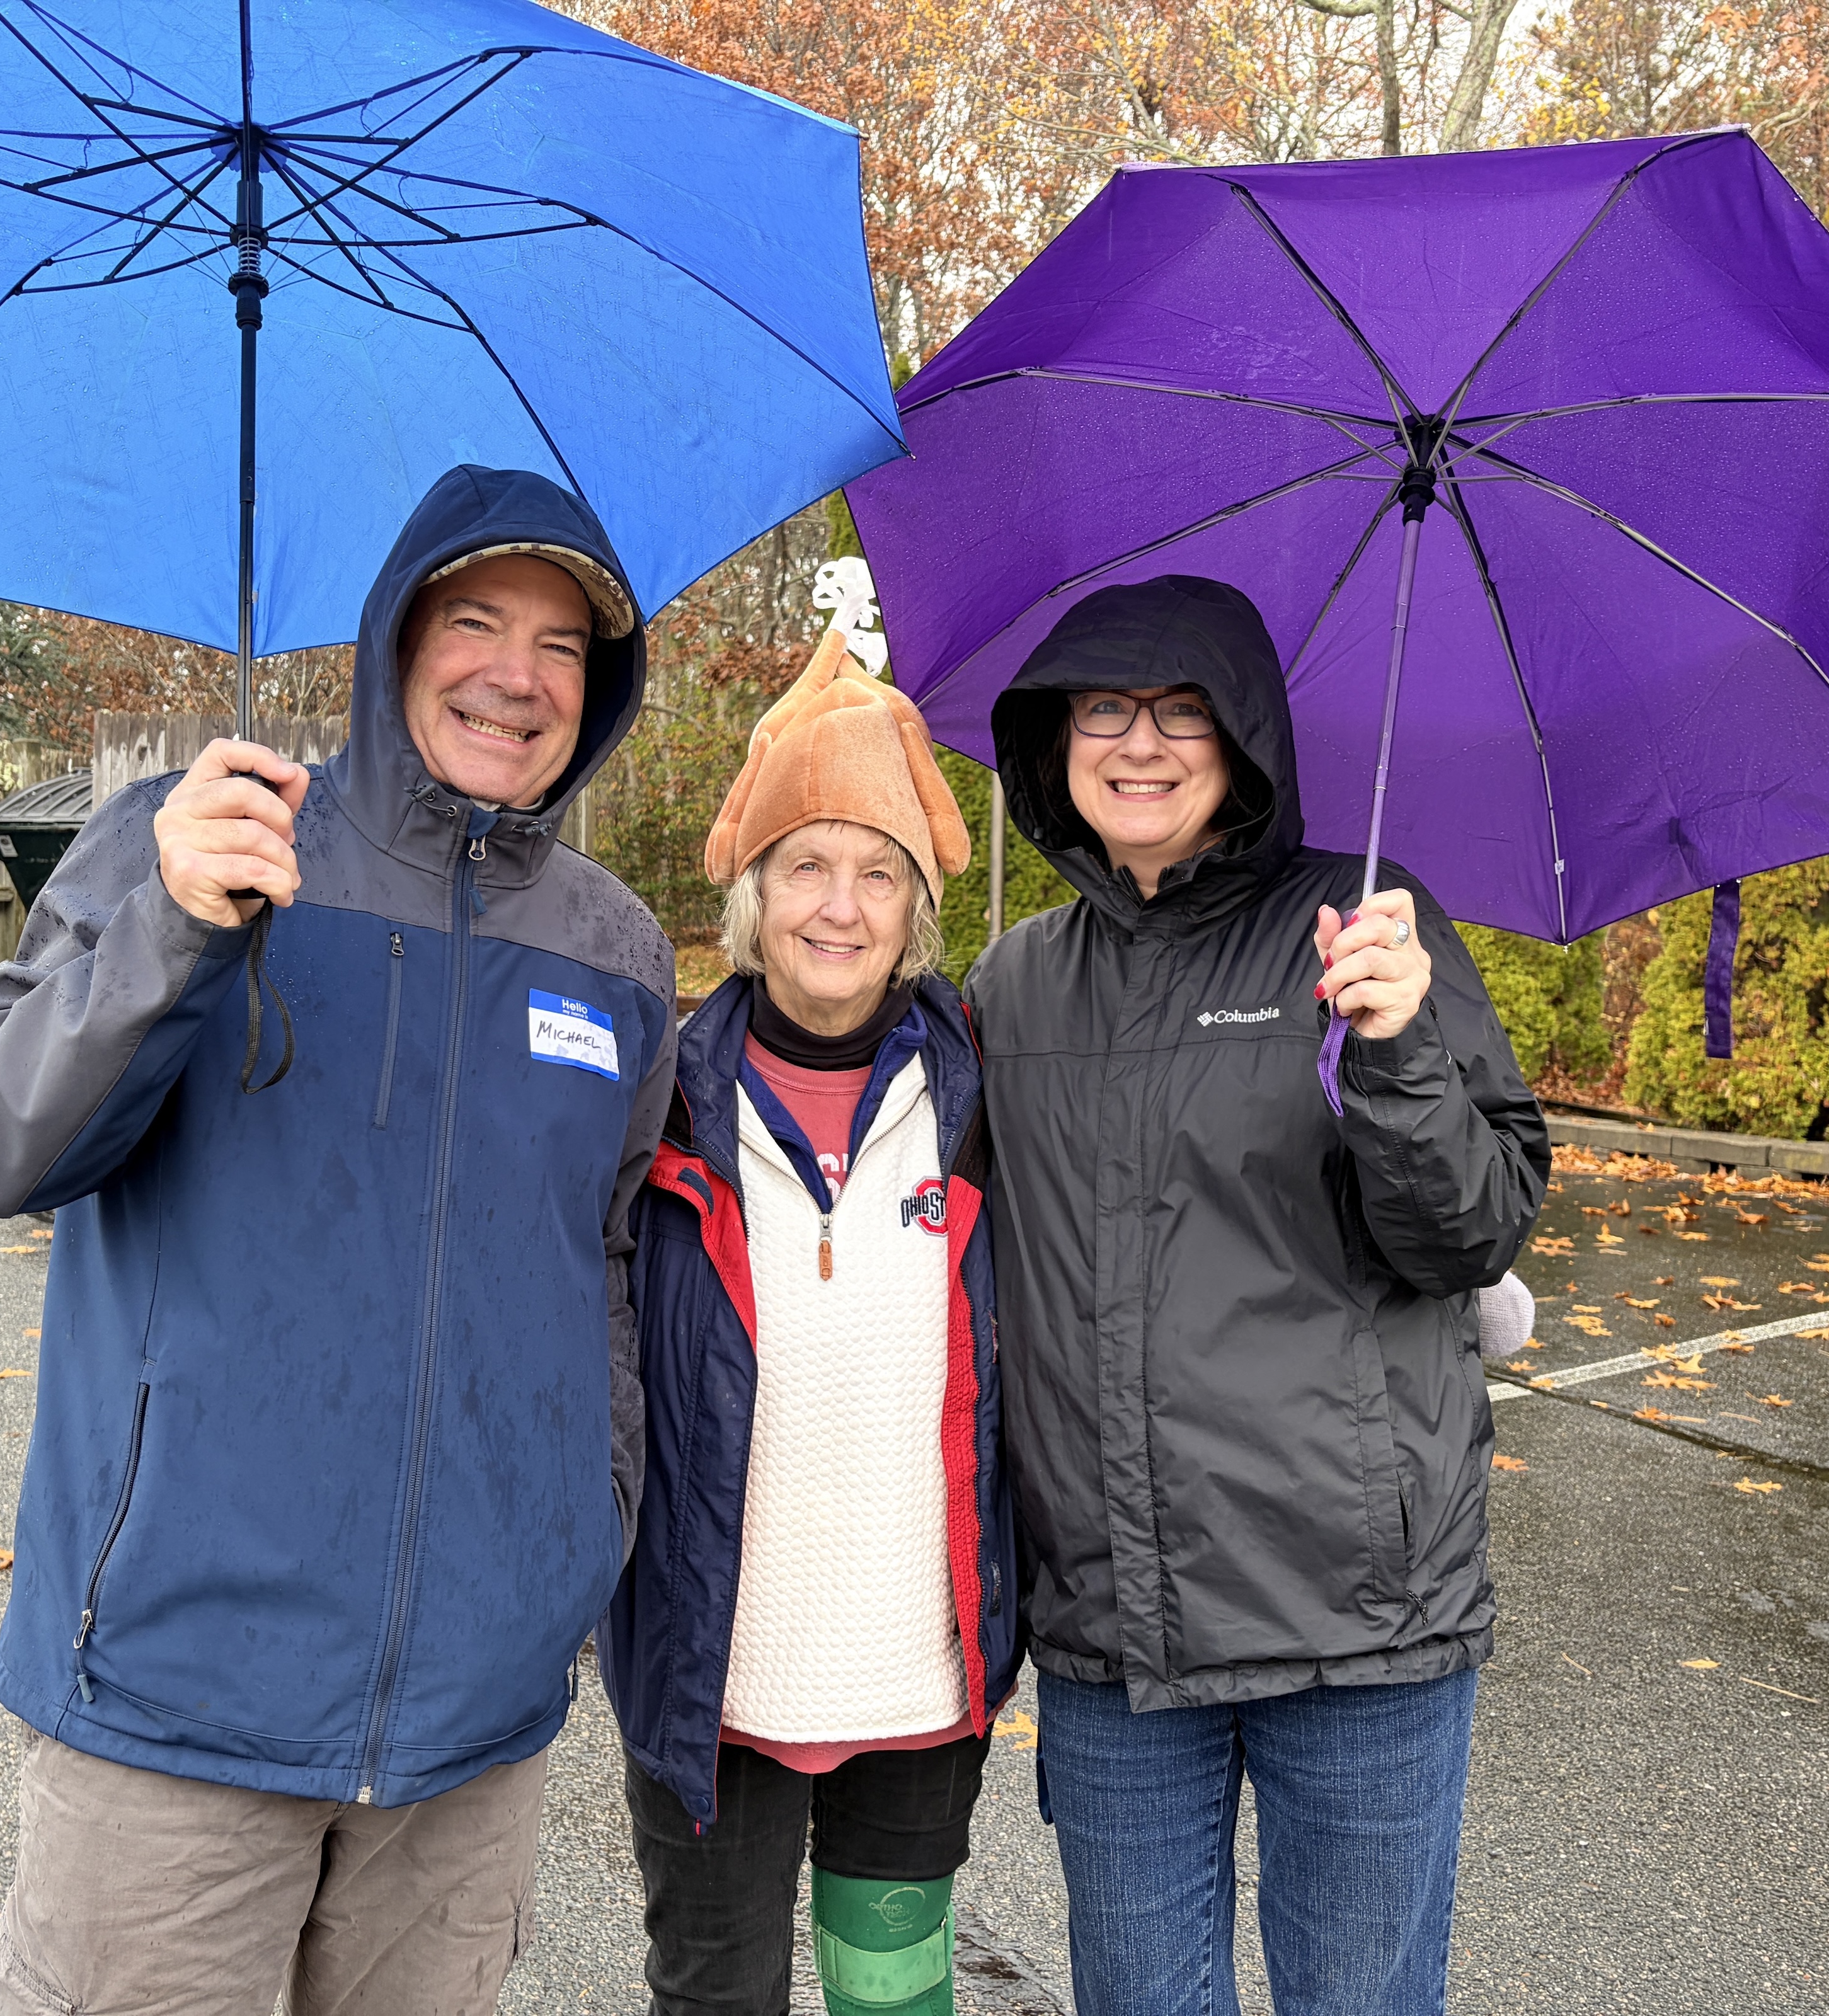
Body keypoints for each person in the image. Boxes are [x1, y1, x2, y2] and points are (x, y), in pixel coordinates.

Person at [0, 466, 679, 2016]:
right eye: (476, 620)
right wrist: (172, 928)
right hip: (174, 1696)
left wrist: (576, 1539)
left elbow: (603, 1262)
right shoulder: (197, 840)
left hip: (467, 1739)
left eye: (562, 645)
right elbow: (1, 1144)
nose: (516, 674)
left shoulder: (614, 950)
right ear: (392, 638)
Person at [963, 576, 1549, 2016]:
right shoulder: (1017, 983)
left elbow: (1470, 1233)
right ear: (1055, 741)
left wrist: (1401, 1051)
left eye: (1182, 712)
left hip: (1357, 1623)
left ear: (1244, 745)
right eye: (1105, 708)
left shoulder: (1359, 941)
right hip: (1118, 1635)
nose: (1140, 743)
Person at [598, 633, 1020, 2016]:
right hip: (716, 1672)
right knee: (714, 1997)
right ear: (752, 895)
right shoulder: (654, 1098)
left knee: (893, 1995)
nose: (839, 907)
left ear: (916, 907)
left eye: (876, 871)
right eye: (806, 867)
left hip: (917, 1662)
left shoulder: (982, 1098)